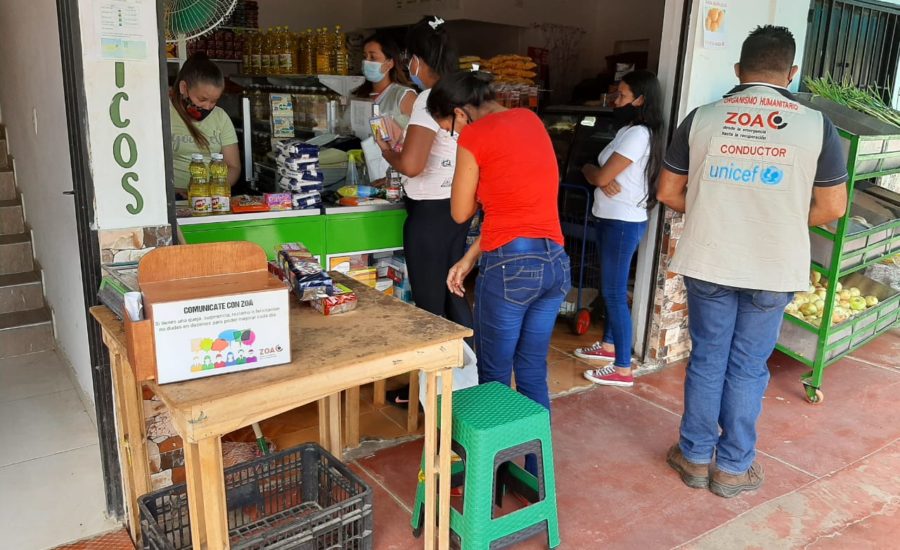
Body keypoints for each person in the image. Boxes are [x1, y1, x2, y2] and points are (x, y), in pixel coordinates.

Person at [657, 25, 848, 498]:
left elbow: (667, 192)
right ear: (792, 72)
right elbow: (833, 207)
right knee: (747, 366)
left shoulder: (702, 118)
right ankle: (733, 468)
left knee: (708, 359)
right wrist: (778, 221)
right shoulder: (816, 125)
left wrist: (718, 214)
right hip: (773, 264)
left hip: (710, 259)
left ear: (739, 69)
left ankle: (694, 457)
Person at [428, 71, 570, 475]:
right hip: (554, 264)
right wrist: (470, 257)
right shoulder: (530, 120)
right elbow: (518, 209)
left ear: (460, 113)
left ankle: (493, 475)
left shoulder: (475, 136)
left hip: (511, 271)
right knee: (531, 372)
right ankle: (536, 473)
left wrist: (469, 166)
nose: (454, 135)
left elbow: (460, 212)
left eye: (449, 128)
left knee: (493, 378)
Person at [376, 16, 472, 407]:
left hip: (429, 214)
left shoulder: (428, 99)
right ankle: (466, 386)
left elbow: (412, 166)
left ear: (415, 59)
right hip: (458, 209)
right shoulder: (461, 95)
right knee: (454, 296)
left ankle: (435, 397)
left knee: (431, 307)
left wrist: (388, 150)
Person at [573, 70, 665, 387]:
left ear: (640, 100)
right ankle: (610, 345)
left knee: (613, 292)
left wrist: (592, 172)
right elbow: (601, 174)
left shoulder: (639, 134)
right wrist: (595, 172)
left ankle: (623, 368)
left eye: (622, 95)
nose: (616, 100)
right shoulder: (628, 130)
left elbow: (600, 176)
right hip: (612, 218)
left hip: (622, 222)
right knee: (611, 287)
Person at [169, 53, 240, 196]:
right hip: (173, 197)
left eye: (214, 101)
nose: (208, 107)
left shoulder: (220, 117)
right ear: (184, 88)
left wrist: (214, 190)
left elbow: (233, 166)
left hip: (211, 198)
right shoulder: (163, 114)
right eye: (202, 99)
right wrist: (176, 191)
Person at [356, 33, 417, 130]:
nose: (366, 62)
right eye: (365, 57)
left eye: (372, 57)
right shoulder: (358, 94)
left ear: (389, 63)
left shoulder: (404, 96)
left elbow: (415, 134)